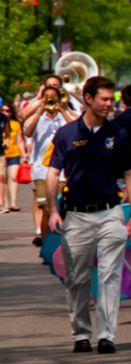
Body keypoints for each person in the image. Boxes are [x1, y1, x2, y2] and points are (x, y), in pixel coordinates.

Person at [46, 76, 131, 354]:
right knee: (77, 277)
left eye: (112, 99)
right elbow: (53, 173)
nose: (110, 104)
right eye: (105, 99)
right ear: (88, 98)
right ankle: (81, 334)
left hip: (111, 212)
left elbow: (130, 173)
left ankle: (107, 335)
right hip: (76, 215)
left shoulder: (120, 134)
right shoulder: (65, 134)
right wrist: (53, 210)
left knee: (110, 275)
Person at [24, 85, 74, 247]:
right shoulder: (37, 117)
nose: (50, 99)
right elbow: (28, 133)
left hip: (61, 171)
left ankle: (58, 245)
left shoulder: (63, 117)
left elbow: (76, 131)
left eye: (53, 96)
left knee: (59, 210)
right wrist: (39, 111)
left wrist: (63, 111)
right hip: (41, 169)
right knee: (46, 209)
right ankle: (47, 246)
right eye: (47, 96)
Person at [1, 104, 26, 214]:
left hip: (14, 152)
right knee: (3, 178)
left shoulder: (15, 124)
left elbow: (20, 140)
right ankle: (5, 202)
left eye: (7, 110)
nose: (6, 112)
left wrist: (24, 154)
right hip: (3, 153)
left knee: (13, 177)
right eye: (3, 110)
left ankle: (13, 203)